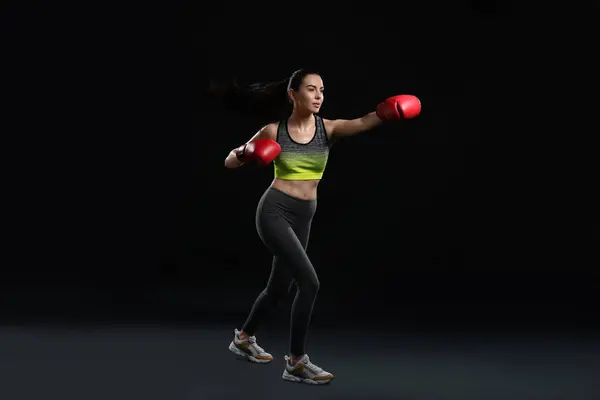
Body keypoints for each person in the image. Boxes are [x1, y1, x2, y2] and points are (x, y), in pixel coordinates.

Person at [216, 69, 421, 385]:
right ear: (293, 94)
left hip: (304, 214)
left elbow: (364, 122)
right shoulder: (273, 131)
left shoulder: (330, 128)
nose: (318, 96)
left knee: (279, 287)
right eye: (310, 89)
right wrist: (246, 153)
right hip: (274, 210)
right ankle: (296, 362)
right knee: (309, 283)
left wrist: (386, 112)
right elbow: (229, 160)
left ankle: (243, 339)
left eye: (322, 90)